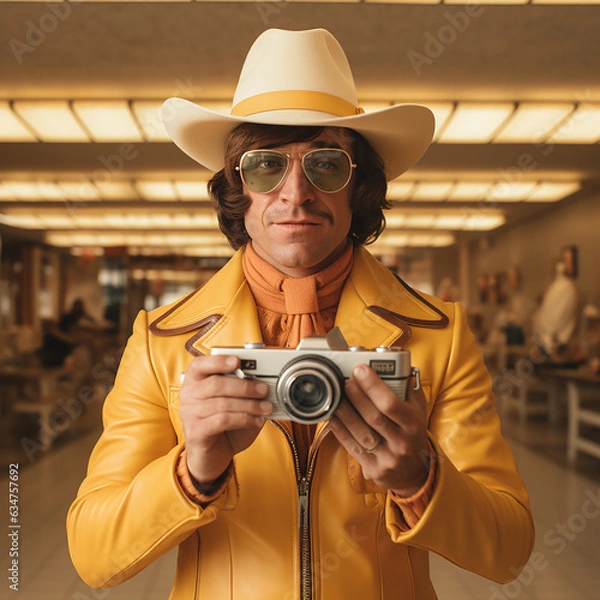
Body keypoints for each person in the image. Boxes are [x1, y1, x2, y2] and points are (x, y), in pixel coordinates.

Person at [67, 28, 534, 599]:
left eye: (326, 166)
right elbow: (93, 554)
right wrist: (192, 473)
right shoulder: (160, 343)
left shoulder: (440, 338)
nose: (295, 194)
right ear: (238, 186)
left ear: (357, 185)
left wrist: (421, 478)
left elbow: (509, 549)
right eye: (265, 166)